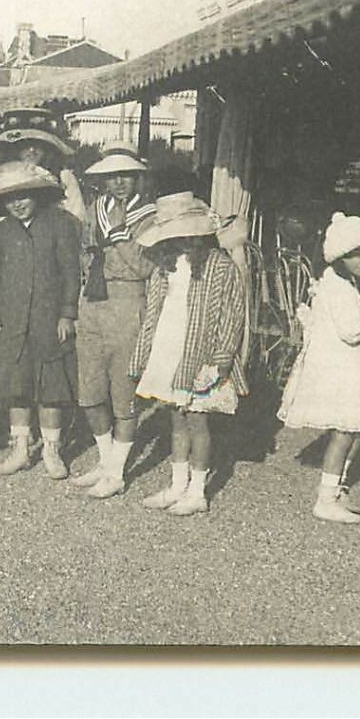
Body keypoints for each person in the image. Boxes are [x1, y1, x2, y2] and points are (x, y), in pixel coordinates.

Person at [129, 193, 246, 516]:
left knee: (197, 420)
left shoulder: (220, 266)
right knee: (176, 419)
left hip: (200, 350)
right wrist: (143, 354)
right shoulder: (164, 267)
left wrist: (221, 359)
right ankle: (178, 484)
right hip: (169, 347)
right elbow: (152, 312)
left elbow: (232, 315)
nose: (178, 240)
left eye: (184, 232)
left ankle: (197, 491)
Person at [277, 212, 360, 524]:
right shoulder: (338, 288)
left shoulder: (339, 280)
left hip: (347, 364)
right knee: (346, 431)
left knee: (359, 428)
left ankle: (337, 487)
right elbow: (351, 330)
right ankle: (326, 497)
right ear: (341, 256)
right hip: (342, 368)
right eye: (359, 256)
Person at [0, 162, 82, 479]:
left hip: (48, 320)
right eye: (10, 199)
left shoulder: (59, 224)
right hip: (12, 322)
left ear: (37, 194)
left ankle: (52, 449)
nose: (18, 203)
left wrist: (67, 312)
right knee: (18, 388)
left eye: (24, 196)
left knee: (51, 388)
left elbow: (70, 272)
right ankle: (20, 448)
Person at [69, 144, 158, 499]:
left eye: (126, 175)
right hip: (92, 300)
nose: (119, 183)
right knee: (90, 391)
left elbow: (144, 266)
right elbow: (83, 253)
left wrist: (117, 236)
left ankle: (117, 472)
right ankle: (105, 462)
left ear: (138, 178)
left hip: (127, 300)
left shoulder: (150, 216)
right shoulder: (94, 210)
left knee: (123, 392)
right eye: (112, 177)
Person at [0, 111, 86, 223]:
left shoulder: (63, 176)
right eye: (25, 145)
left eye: (38, 145)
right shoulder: (6, 175)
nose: (32, 150)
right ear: (15, 148)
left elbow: (77, 216)